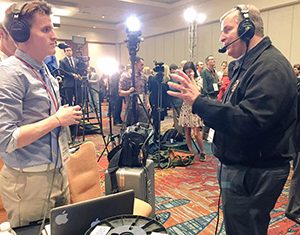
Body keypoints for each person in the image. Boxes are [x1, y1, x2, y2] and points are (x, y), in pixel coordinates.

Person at [168, 4, 297, 235]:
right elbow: (232, 109)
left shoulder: (270, 67)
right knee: (239, 227)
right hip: (243, 166)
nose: (222, 37)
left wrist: (199, 101)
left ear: (248, 29)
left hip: (254, 172)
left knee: (245, 229)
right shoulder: (247, 64)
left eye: (227, 29)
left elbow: (248, 120)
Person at [0, 0, 82, 227]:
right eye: (45, 30)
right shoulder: (9, 75)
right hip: (29, 181)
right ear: (22, 34)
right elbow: (5, 139)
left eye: (52, 28)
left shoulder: (42, 68)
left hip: (57, 171)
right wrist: (57, 120)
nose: (54, 35)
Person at [178, 62, 206, 161]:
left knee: (196, 132)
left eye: (190, 71)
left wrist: (192, 79)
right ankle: (190, 151)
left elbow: (197, 90)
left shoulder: (199, 79)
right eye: (186, 71)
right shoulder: (184, 81)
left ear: (194, 70)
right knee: (187, 131)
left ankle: (202, 151)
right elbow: (183, 93)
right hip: (186, 106)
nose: (188, 73)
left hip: (195, 106)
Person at [119, 56, 150, 126]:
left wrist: (148, 103)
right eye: (141, 65)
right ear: (135, 64)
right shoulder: (125, 76)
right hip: (130, 105)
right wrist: (129, 92)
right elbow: (120, 92)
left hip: (142, 105)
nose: (143, 67)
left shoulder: (143, 77)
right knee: (130, 127)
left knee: (144, 126)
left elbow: (146, 91)